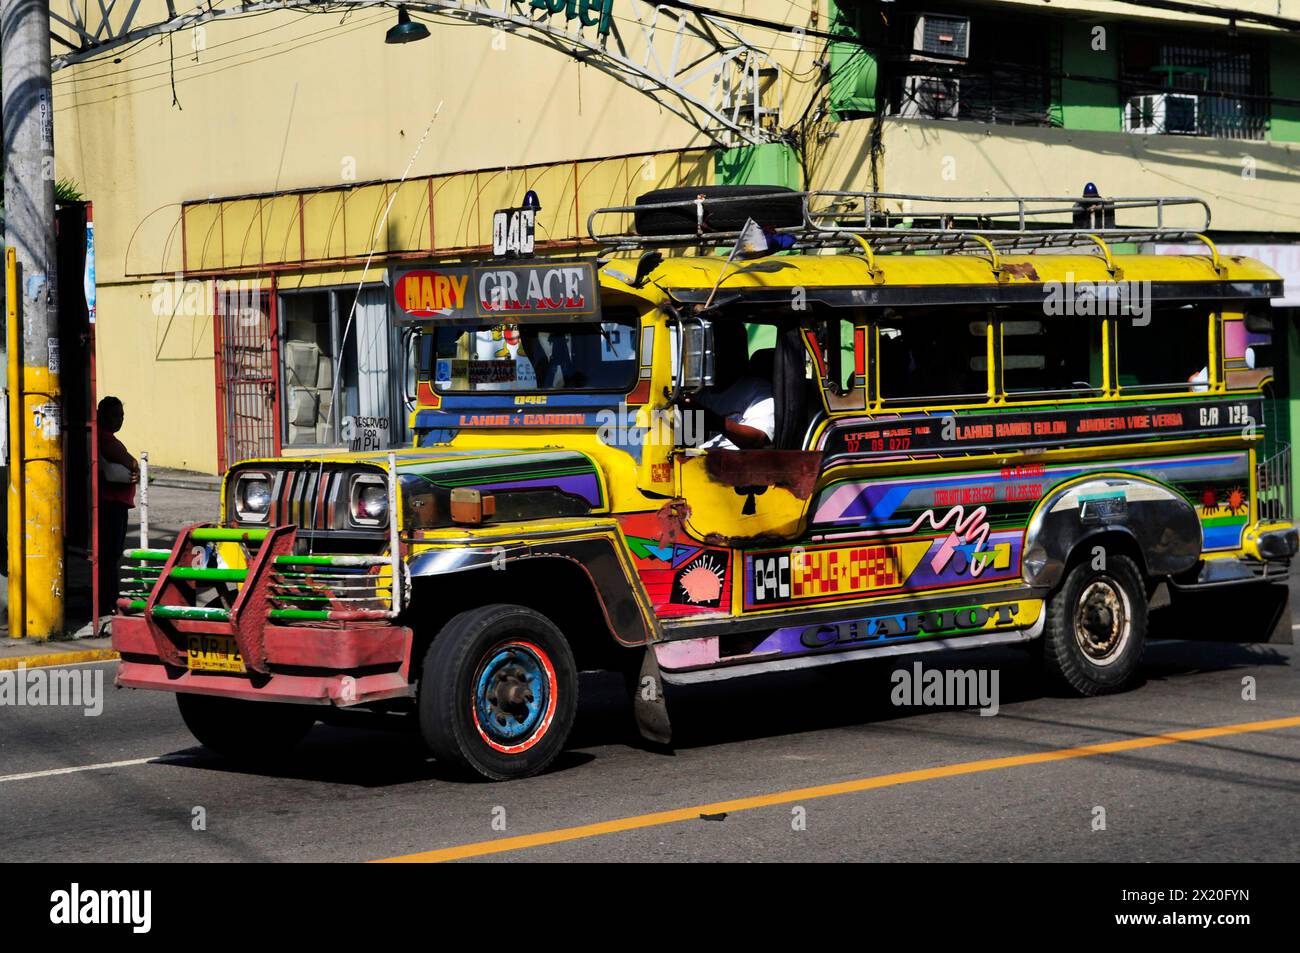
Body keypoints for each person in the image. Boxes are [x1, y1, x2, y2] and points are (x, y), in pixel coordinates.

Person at [681, 348, 776, 450]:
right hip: (696, 459)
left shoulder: (759, 390)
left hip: (735, 462)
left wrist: (716, 422)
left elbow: (758, 440)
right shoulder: (698, 391)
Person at [97, 396, 138, 619]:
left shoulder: (104, 438)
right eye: (115, 415)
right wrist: (135, 468)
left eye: (122, 415)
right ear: (102, 415)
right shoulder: (107, 440)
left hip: (112, 504)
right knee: (110, 556)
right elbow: (131, 462)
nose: (120, 419)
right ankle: (109, 602)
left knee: (107, 556)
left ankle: (107, 599)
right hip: (112, 506)